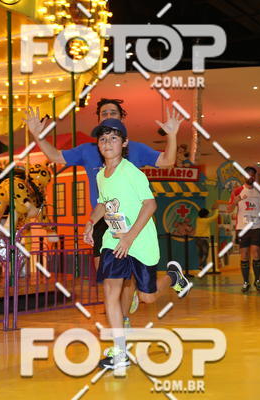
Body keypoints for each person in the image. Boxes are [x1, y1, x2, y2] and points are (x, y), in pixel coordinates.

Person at [26, 99, 183, 327]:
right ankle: (120, 330)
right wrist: (38, 136)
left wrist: (172, 136)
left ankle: (136, 306)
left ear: (122, 124)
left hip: (136, 224)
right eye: (104, 113)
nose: (108, 117)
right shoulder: (89, 151)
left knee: (136, 288)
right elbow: (57, 157)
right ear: (98, 120)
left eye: (113, 113)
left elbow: (167, 163)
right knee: (111, 281)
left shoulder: (135, 153)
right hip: (106, 222)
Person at [83, 119, 190, 370]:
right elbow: (103, 203)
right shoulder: (100, 175)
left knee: (147, 297)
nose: (107, 143)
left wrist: (130, 237)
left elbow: (150, 205)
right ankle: (120, 352)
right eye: (103, 139)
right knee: (110, 292)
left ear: (124, 143)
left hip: (140, 241)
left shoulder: (131, 172)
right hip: (114, 240)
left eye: (113, 138)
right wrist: (90, 222)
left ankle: (173, 277)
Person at [227, 166, 260, 293]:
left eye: (253, 175)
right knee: (244, 255)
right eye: (248, 174)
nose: (250, 177)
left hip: (256, 226)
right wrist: (235, 201)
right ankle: (246, 282)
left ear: (255, 177)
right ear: (243, 176)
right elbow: (229, 209)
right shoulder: (237, 191)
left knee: (256, 253)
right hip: (242, 227)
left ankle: (257, 280)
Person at [194, 204, 219, 269]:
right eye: (207, 214)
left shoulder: (198, 219)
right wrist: (216, 210)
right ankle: (200, 265)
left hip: (197, 239)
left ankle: (200, 265)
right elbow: (215, 217)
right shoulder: (206, 220)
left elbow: (204, 213)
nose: (208, 215)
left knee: (200, 254)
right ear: (206, 215)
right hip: (204, 239)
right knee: (205, 253)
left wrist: (211, 210)